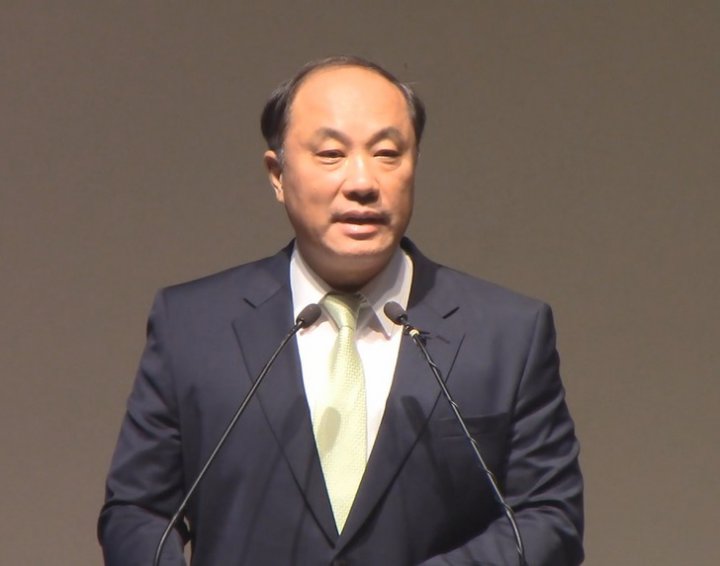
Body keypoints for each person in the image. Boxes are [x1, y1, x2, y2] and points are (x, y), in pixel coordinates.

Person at [98, 56, 584, 565]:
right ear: (277, 174)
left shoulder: (508, 333)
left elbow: (550, 518)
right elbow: (137, 511)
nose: (362, 182)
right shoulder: (193, 325)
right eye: (331, 154)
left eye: (387, 153)